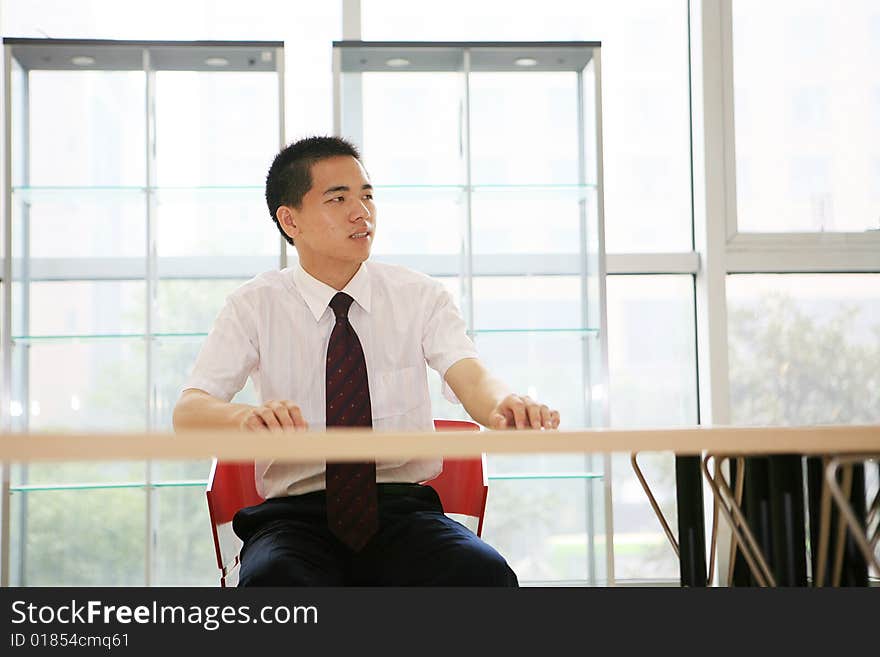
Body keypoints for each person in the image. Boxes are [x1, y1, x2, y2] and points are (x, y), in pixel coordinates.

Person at [172, 136, 560, 586]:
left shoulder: (419, 296)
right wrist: (246, 418)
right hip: (294, 517)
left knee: (483, 574)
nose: (362, 212)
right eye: (338, 199)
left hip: (402, 511)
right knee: (275, 584)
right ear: (290, 219)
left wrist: (503, 405)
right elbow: (189, 413)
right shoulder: (253, 306)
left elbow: (468, 373)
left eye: (367, 195)